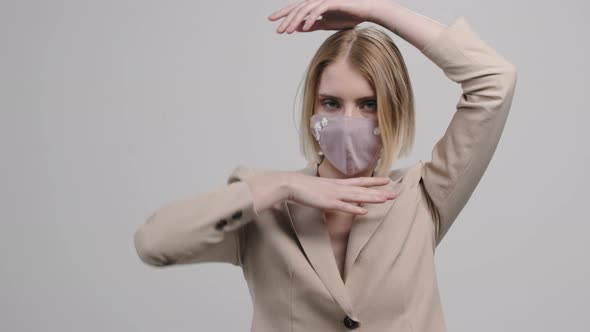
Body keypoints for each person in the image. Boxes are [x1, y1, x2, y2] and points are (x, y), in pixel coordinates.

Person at [133, 0, 518, 331]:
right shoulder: (265, 209)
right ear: (312, 108)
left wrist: (373, 11)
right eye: (332, 103)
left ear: (393, 111)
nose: (348, 121)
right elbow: (155, 244)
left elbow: (494, 81)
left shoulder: (423, 196)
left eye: (368, 105)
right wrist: (278, 187)